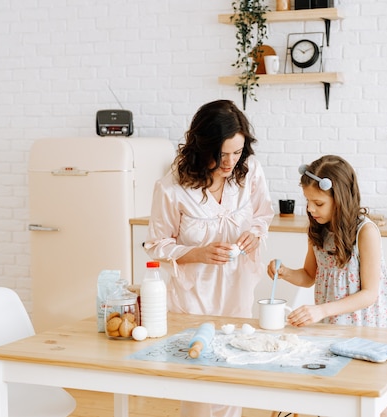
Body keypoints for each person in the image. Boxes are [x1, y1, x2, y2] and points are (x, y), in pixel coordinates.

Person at [145, 99, 274, 417]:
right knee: (198, 374)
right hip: (194, 296)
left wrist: (255, 234)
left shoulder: (250, 171)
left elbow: (263, 215)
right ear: (203, 147)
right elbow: (156, 245)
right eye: (223, 153)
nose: (231, 161)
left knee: (233, 368)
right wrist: (195, 253)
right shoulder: (171, 188)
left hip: (238, 287)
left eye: (237, 151)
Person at [268, 155, 387, 416]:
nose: (311, 209)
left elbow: (370, 294)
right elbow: (309, 275)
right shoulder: (318, 230)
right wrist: (285, 273)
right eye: (308, 202)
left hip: (365, 328)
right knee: (335, 398)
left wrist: (321, 311)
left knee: (372, 400)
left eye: (319, 203)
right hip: (331, 328)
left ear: (341, 199)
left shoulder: (366, 233)